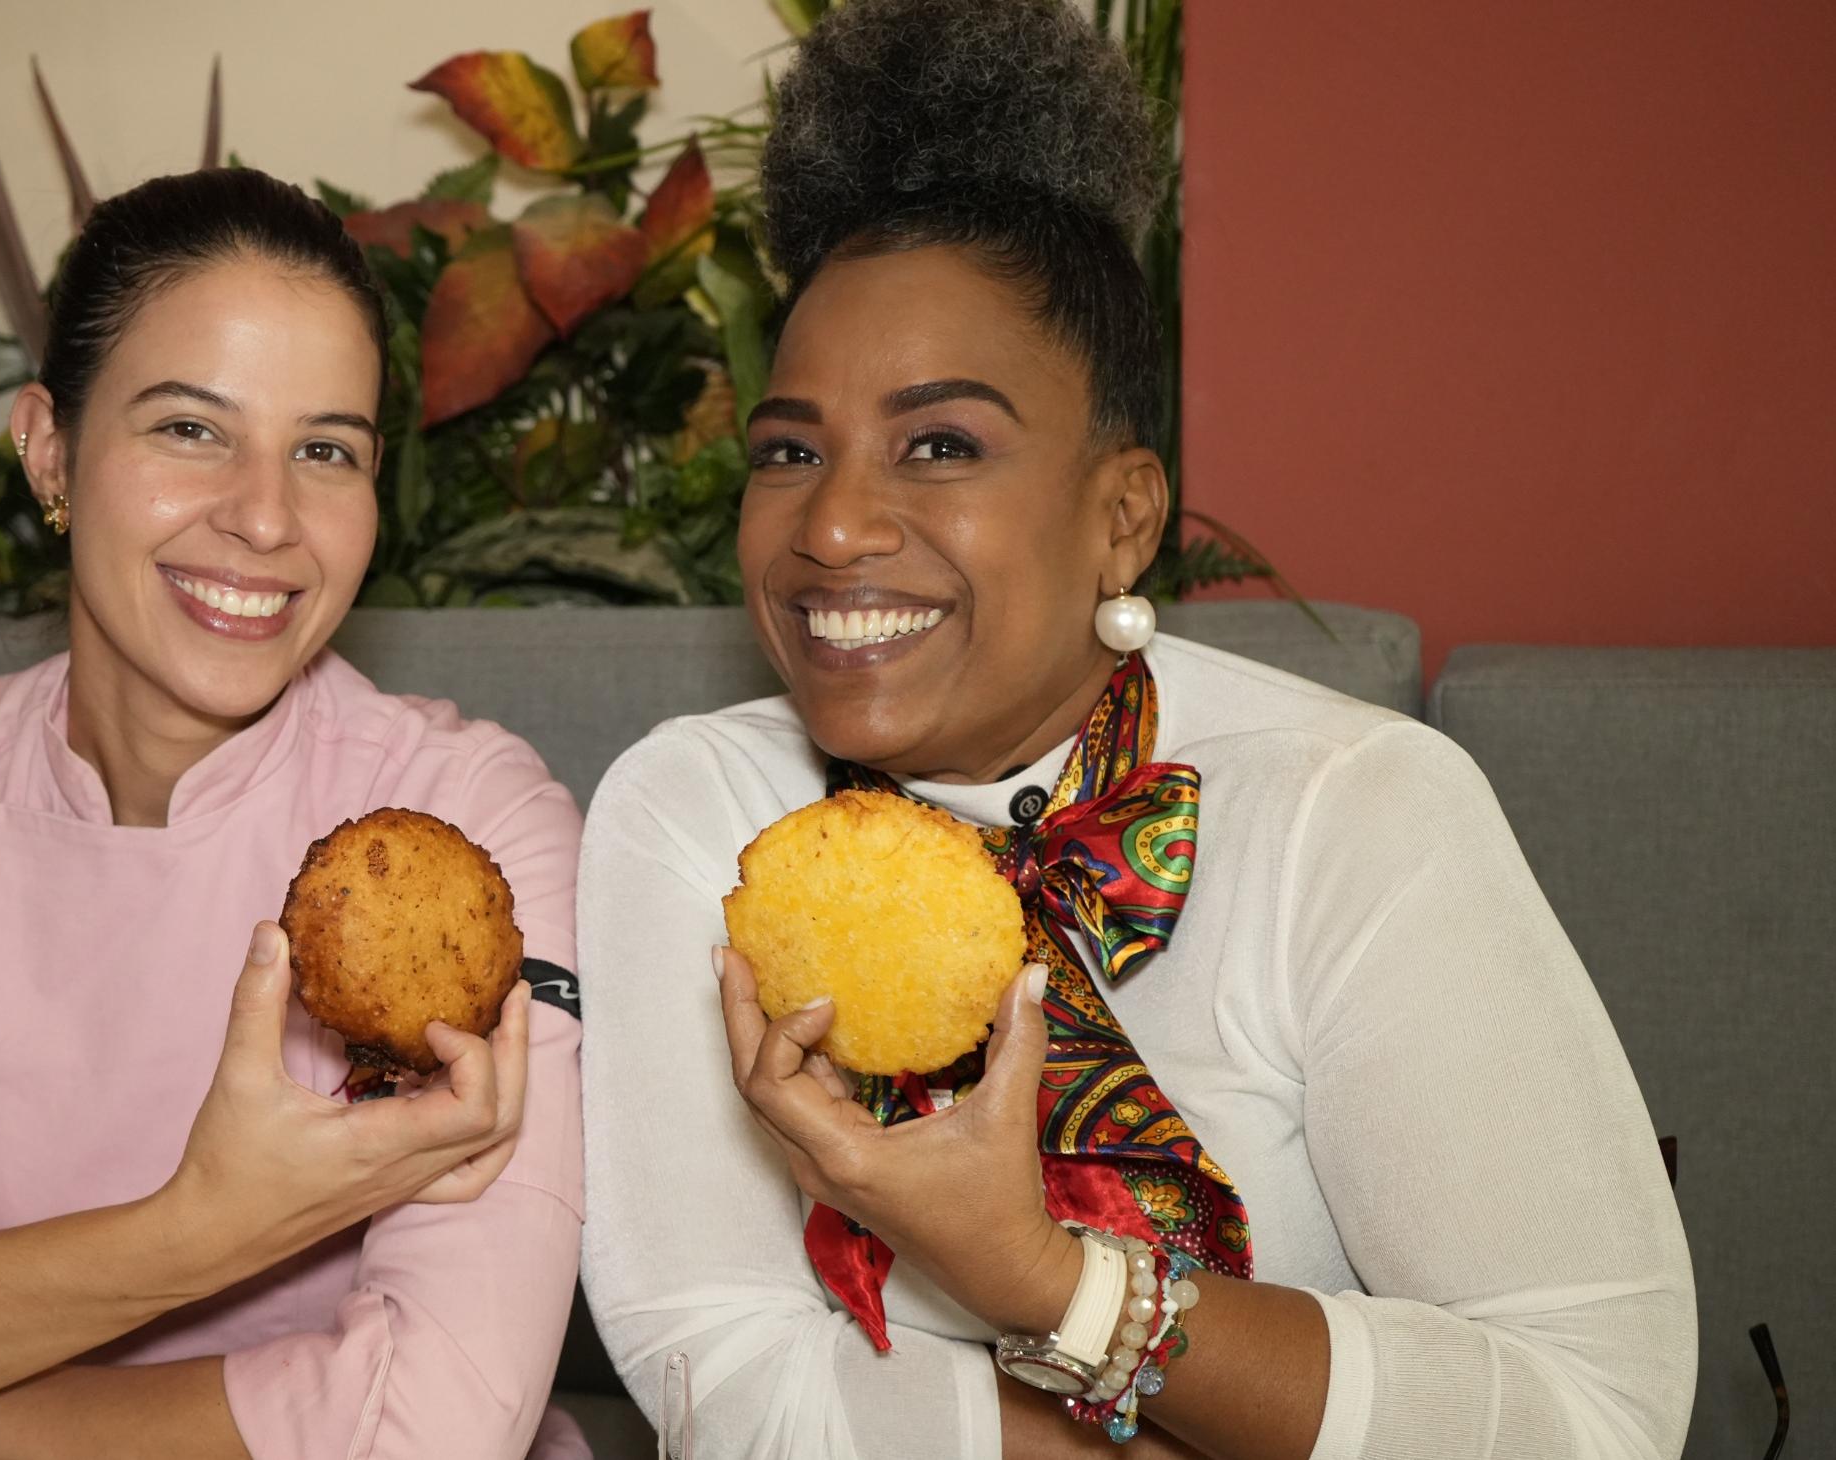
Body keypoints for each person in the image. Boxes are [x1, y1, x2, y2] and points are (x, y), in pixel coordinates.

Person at [574, 2, 1696, 1456]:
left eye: (941, 443)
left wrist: (1046, 1285)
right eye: (791, 448)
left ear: (1125, 518)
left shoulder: (1352, 810)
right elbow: (713, 1383)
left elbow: (1595, 1413)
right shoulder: (693, 817)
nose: (834, 523)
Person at [0, 168, 588, 1460]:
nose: (264, 518)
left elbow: (434, 1423)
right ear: (49, 452)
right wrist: (197, 1231)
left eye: (327, 451)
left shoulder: (476, 824)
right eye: (191, 429)